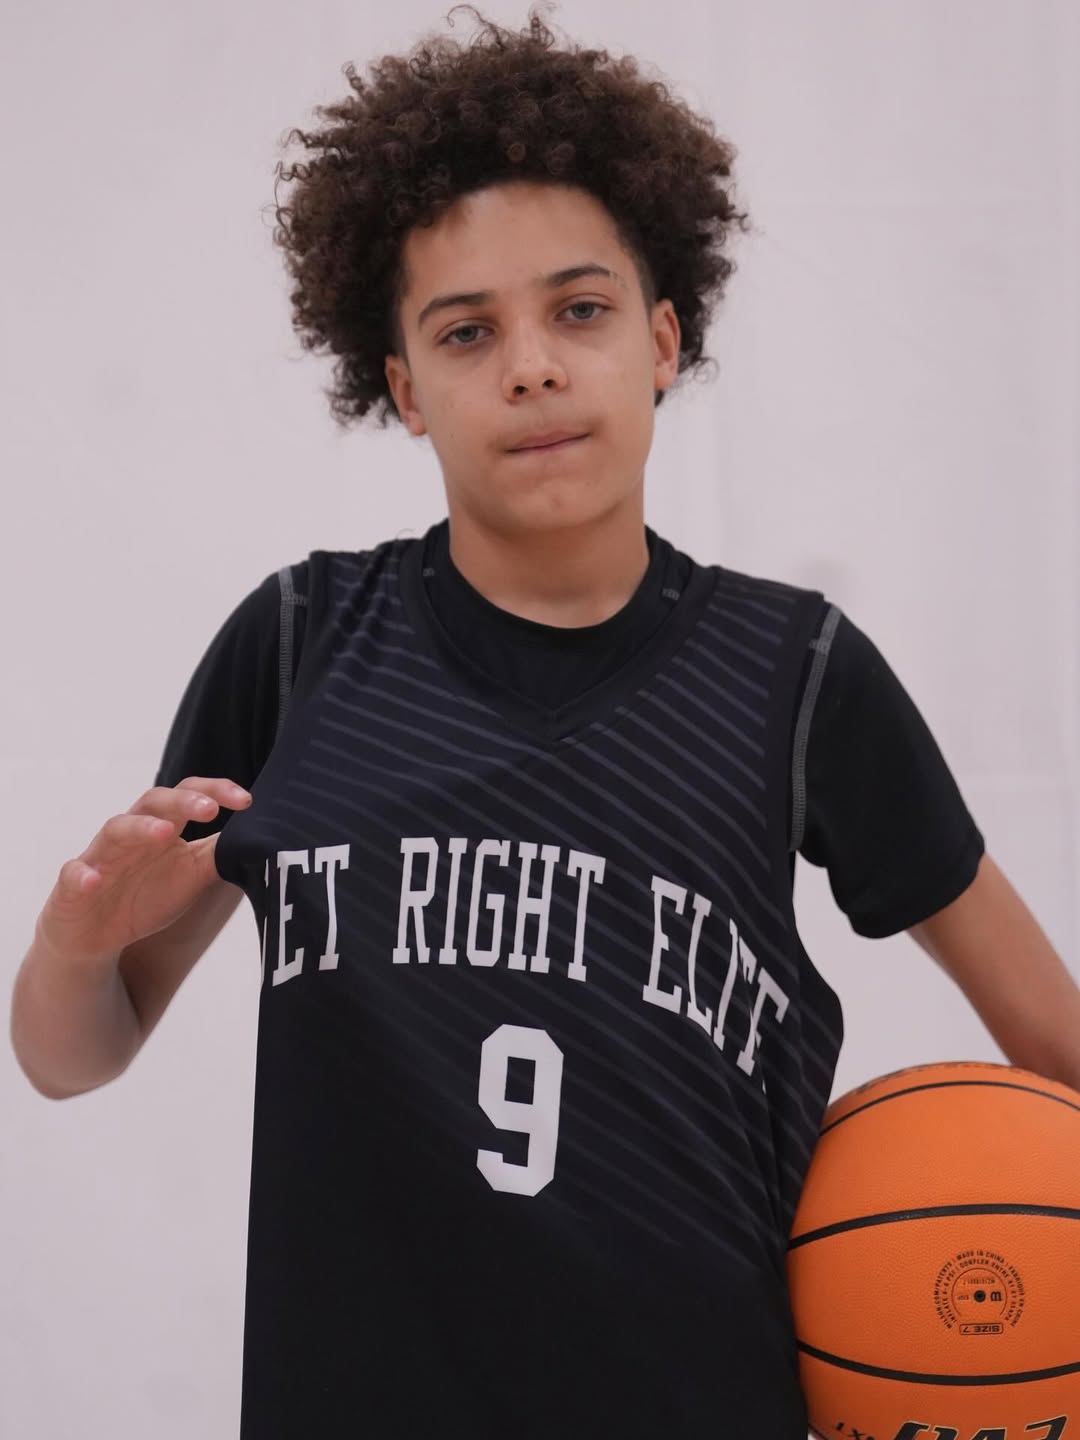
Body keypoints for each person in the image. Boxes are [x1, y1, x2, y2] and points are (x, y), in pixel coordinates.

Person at [12, 6, 1073, 1435]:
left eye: (580, 310)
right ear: (403, 389)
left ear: (663, 338)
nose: (530, 365)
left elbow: (1050, 1039)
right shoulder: (302, 645)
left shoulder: (797, 673)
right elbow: (73, 1056)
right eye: (467, 332)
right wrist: (73, 948)